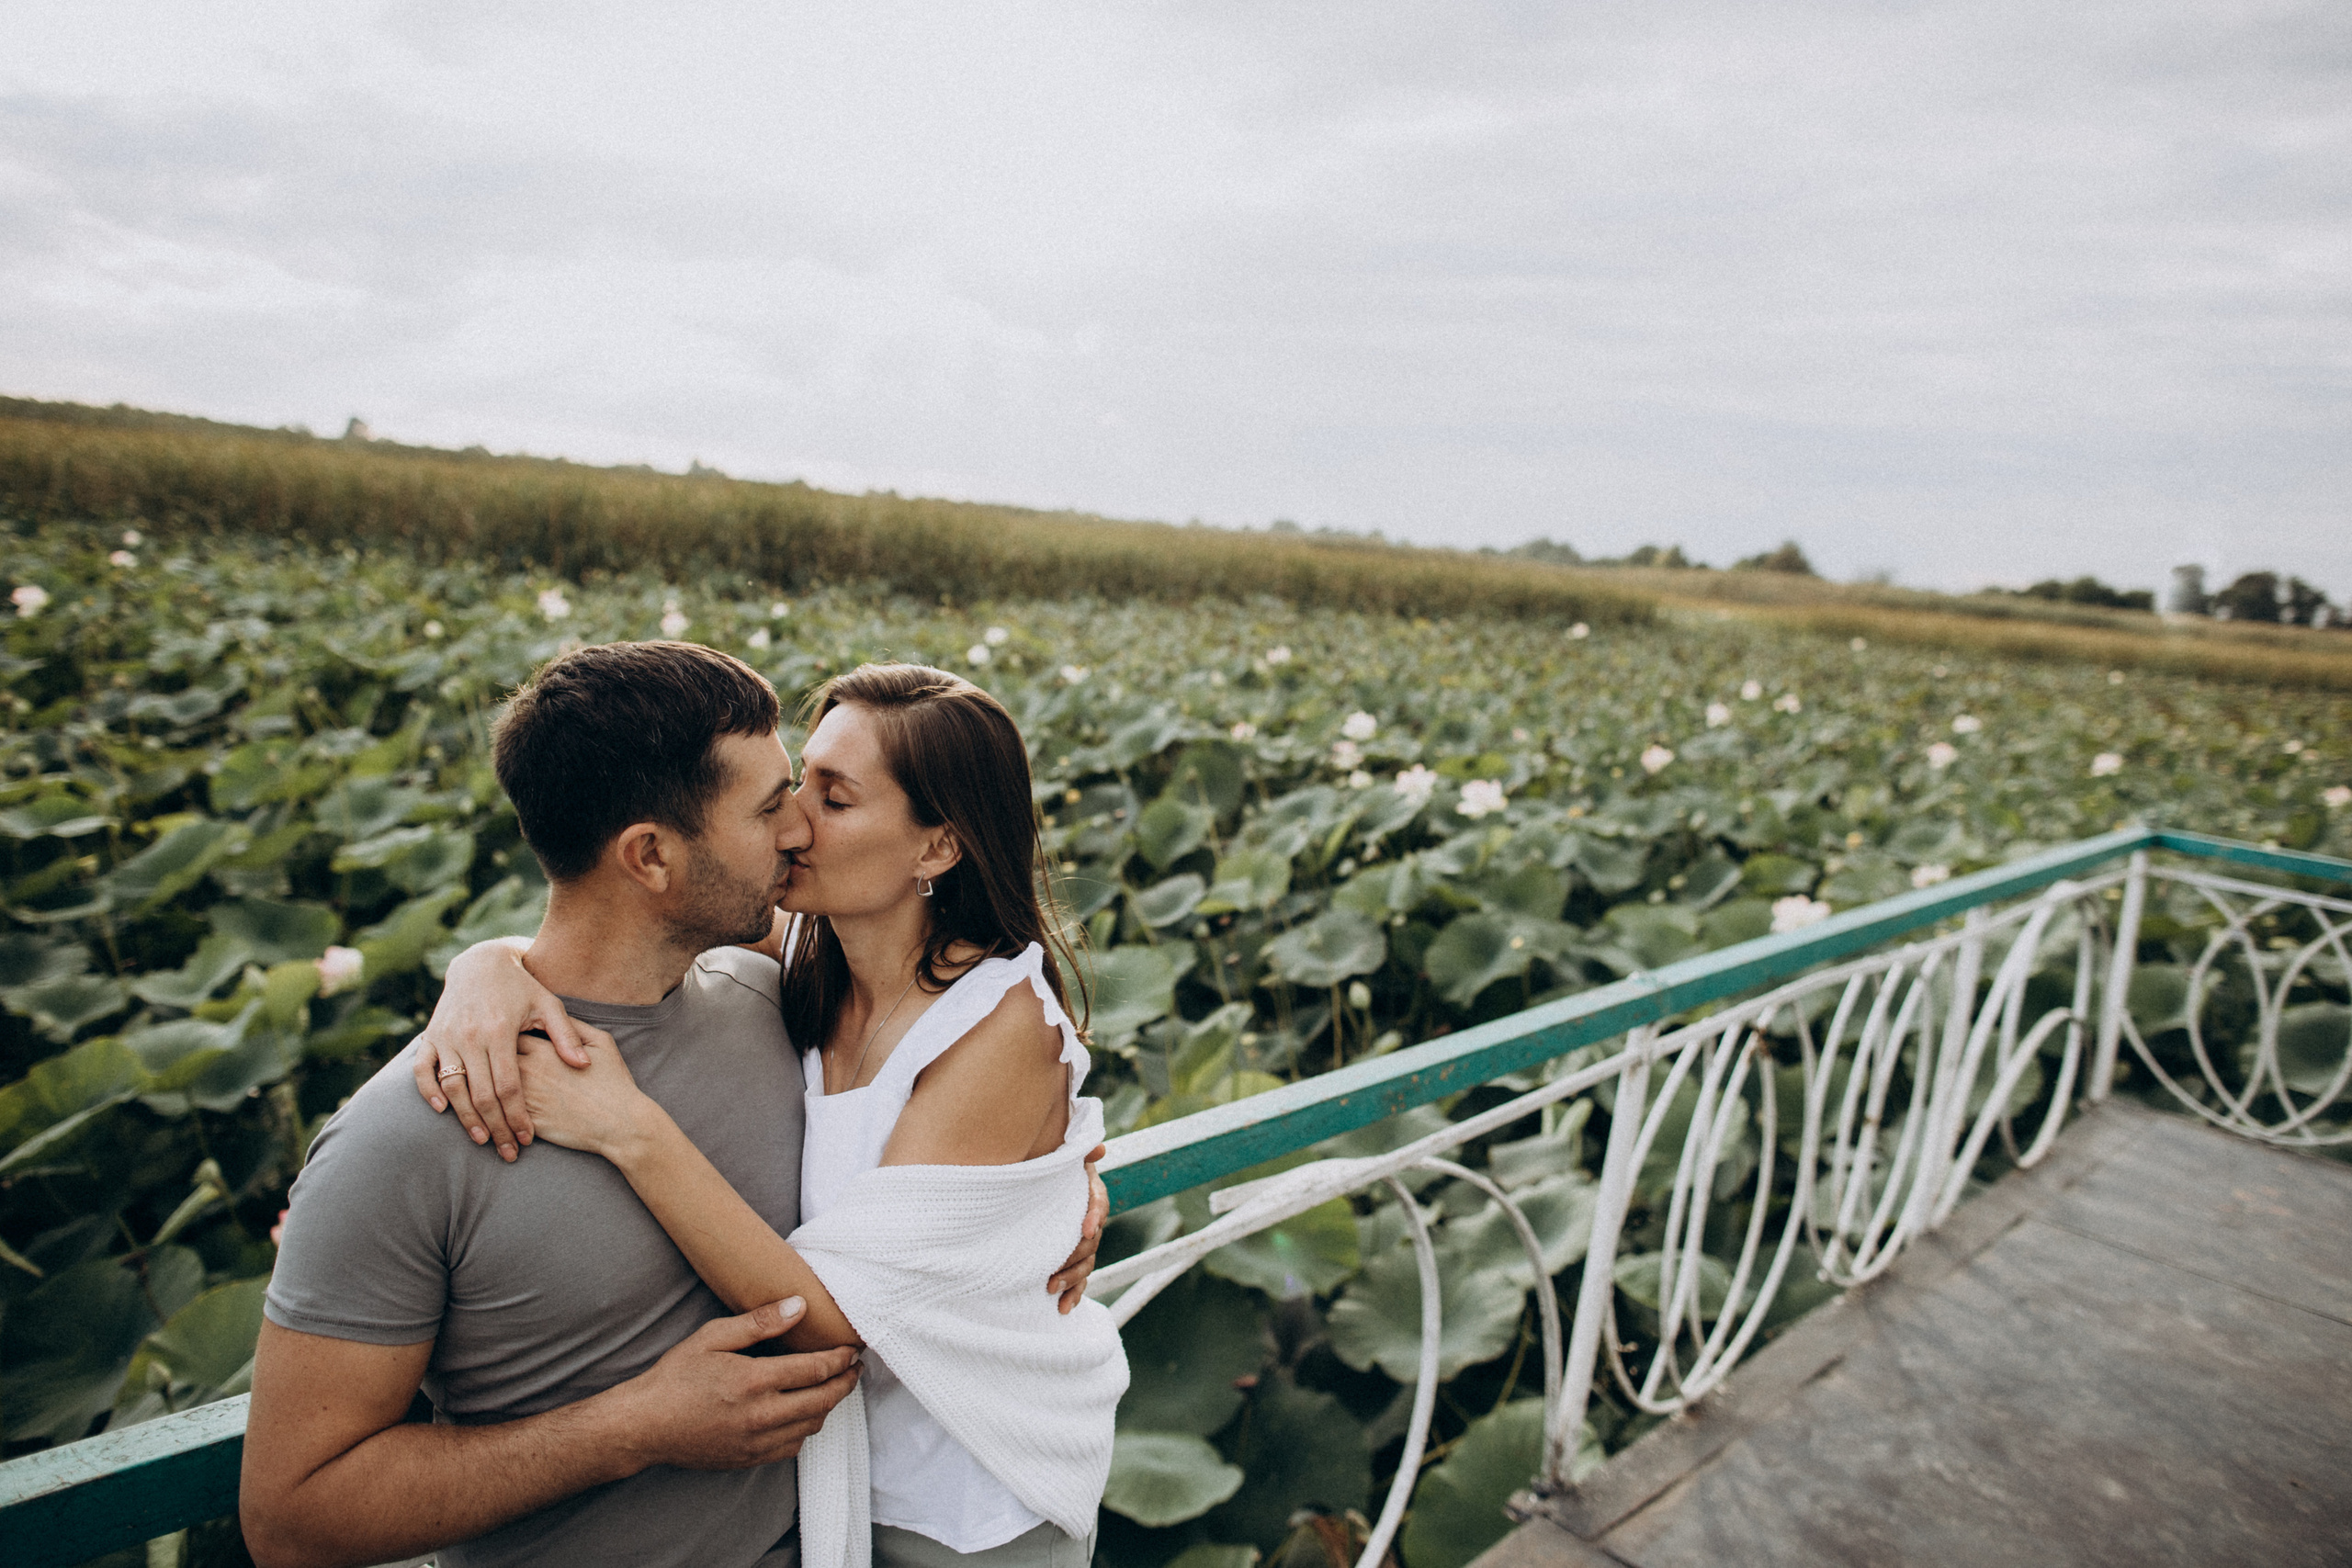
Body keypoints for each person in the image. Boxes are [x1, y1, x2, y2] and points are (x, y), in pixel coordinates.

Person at [240, 644, 1102, 1568]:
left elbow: (976, 1072)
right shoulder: (410, 1133)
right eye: (775, 803)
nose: (796, 829)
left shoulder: (767, 999)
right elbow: (291, 1522)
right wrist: (627, 1429)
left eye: (813, 795)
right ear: (650, 856)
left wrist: (1050, 1189)